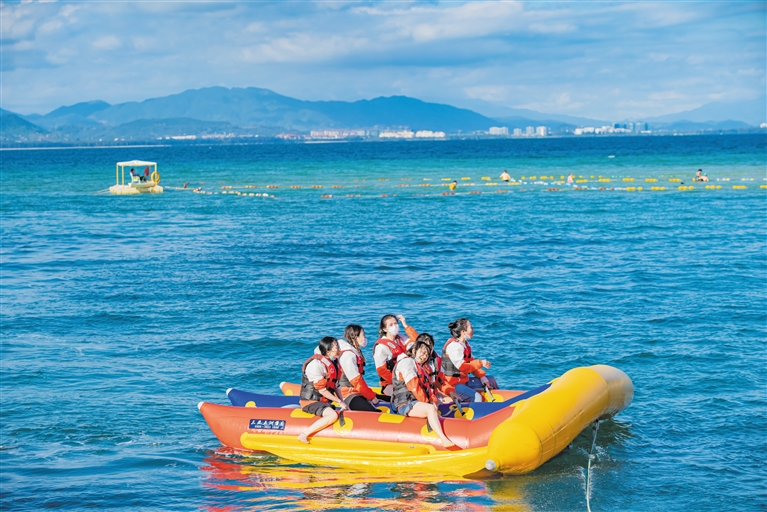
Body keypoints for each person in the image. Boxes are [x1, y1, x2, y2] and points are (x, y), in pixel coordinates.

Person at [392, 340, 456, 448]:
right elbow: (413, 387)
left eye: (427, 354)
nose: (425, 356)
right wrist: (428, 404)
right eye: (423, 352)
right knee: (430, 409)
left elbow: (428, 389)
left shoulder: (419, 367)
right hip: (406, 404)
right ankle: (443, 439)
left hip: (415, 403)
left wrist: (433, 401)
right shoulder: (406, 363)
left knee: (434, 406)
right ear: (414, 350)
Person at [297, 336, 348, 444]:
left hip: (324, 402)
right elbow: (322, 390)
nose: (339, 349)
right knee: (333, 415)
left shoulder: (334, 362)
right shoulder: (315, 365)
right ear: (327, 351)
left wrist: (344, 402)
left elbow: (336, 386)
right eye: (336, 347)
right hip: (310, 402)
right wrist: (338, 401)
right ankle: (304, 434)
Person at [442, 318, 498, 402]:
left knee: (491, 380)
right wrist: (480, 363)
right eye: (471, 327)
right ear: (463, 331)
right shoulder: (454, 347)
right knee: (477, 397)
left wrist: (482, 376)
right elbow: (463, 367)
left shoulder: (465, 345)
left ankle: (499, 403)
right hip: (453, 385)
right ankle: (479, 409)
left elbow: (471, 364)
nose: (473, 329)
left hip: (464, 381)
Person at [336, 324, 380, 412]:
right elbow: (356, 381)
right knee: (374, 413)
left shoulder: (353, 353)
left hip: (356, 391)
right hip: (346, 394)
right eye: (363, 335)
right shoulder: (348, 355)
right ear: (355, 337)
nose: (365, 338)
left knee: (388, 399)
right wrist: (372, 397)